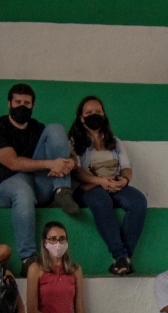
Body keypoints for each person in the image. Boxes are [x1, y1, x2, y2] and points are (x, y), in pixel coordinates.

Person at [0, 83, 78, 275]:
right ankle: (28, 258)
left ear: (33, 105)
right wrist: (50, 164)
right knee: (22, 191)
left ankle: (62, 190)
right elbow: (13, 163)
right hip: (6, 187)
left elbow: (71, 156)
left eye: (26, 103)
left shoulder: (38, 128)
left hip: (38, 185)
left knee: (56, 129)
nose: (22, 106)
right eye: (17, 102)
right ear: (9, 103)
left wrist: (70, 163)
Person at [69, 95, 147, 276]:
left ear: (104, 115)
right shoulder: (74, 141)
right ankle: (120, 255)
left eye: (98, 111)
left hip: (113, 184)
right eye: (89, 112)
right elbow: (76, 171)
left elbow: (126, 168)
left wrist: (123, 180)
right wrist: (100, 182)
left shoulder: (115, 141)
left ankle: (123, 260)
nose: (94, 115)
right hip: (88, 187)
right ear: (81, 118)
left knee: (138, 202)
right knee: (102, 200)